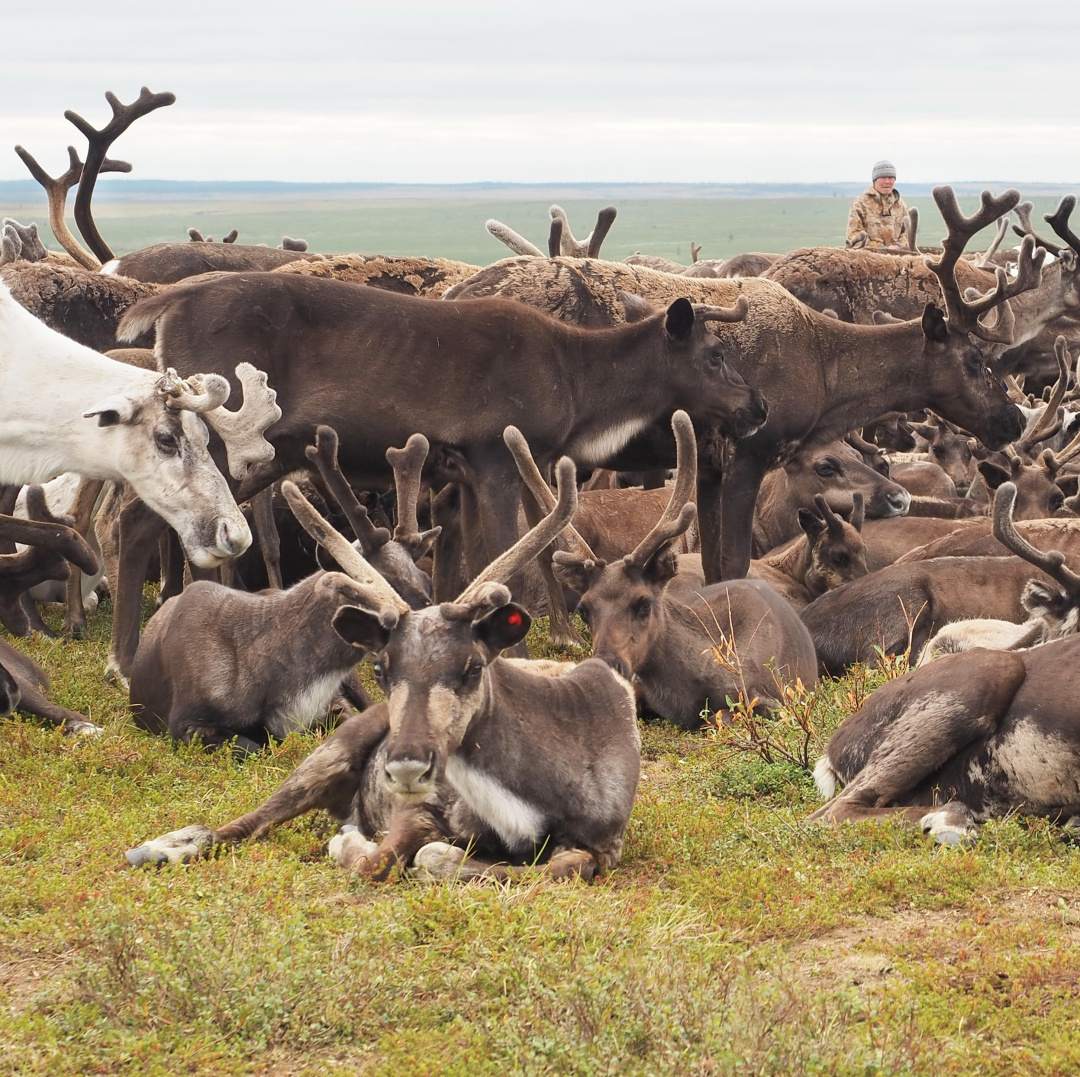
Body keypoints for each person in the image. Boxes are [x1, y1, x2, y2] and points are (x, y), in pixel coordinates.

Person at [846, 161, 909, 250]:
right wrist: (883, 248)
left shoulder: (901, 205)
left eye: (890, 177)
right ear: (875, 180)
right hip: (868, 258)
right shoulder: (860, 203)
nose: (887, 182)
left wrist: (899, 246)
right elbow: (854, 234)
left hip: (898, 257)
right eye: (883, 178)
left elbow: (906, 233)